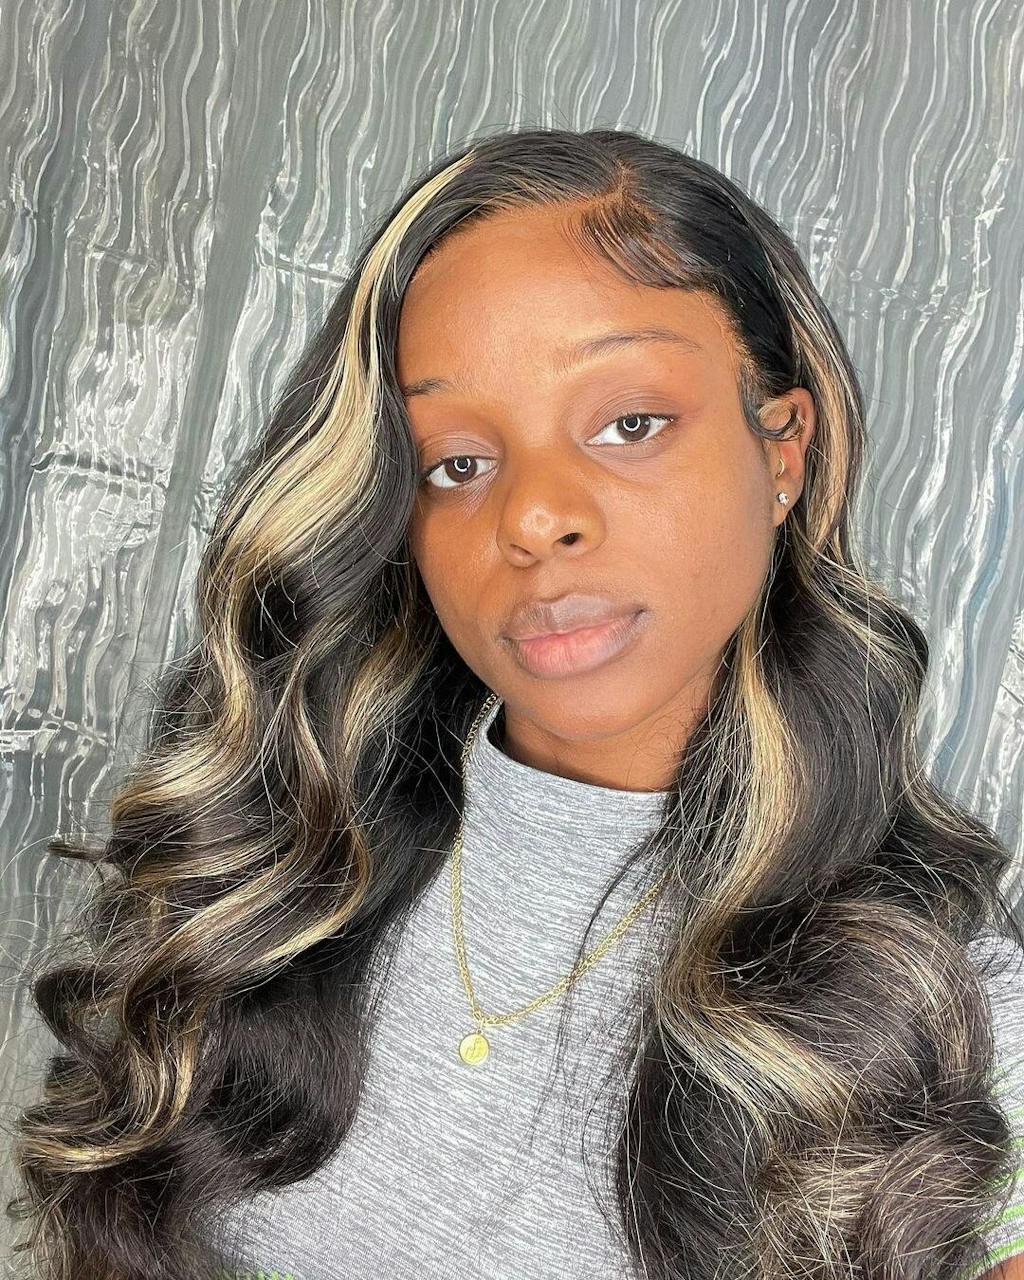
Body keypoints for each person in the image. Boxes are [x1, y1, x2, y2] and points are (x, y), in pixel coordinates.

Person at [7, 127, 1024, 1280]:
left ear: (781, 448)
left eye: (629, 423)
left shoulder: (946, 1034)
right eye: (457, 461)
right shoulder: (264, 885)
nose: (535, 517)